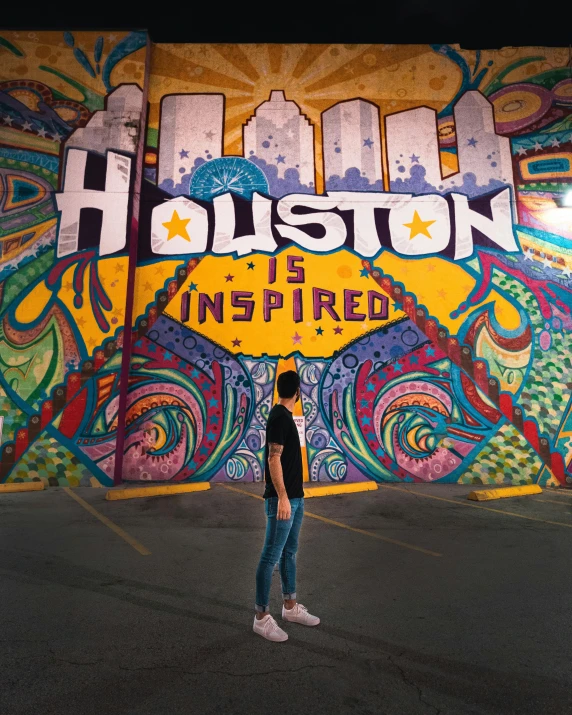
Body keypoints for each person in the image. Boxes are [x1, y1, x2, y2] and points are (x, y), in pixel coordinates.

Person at [253, 370, 320, 642]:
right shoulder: (279, 416)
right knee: (271, 557)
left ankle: (290, 608)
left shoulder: (286, 417)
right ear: (298, 392)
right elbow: (273, 458)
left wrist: (292, 497)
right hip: (283, 499)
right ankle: (260, 618)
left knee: (289, 553)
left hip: (296, 497)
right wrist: (281, 497)